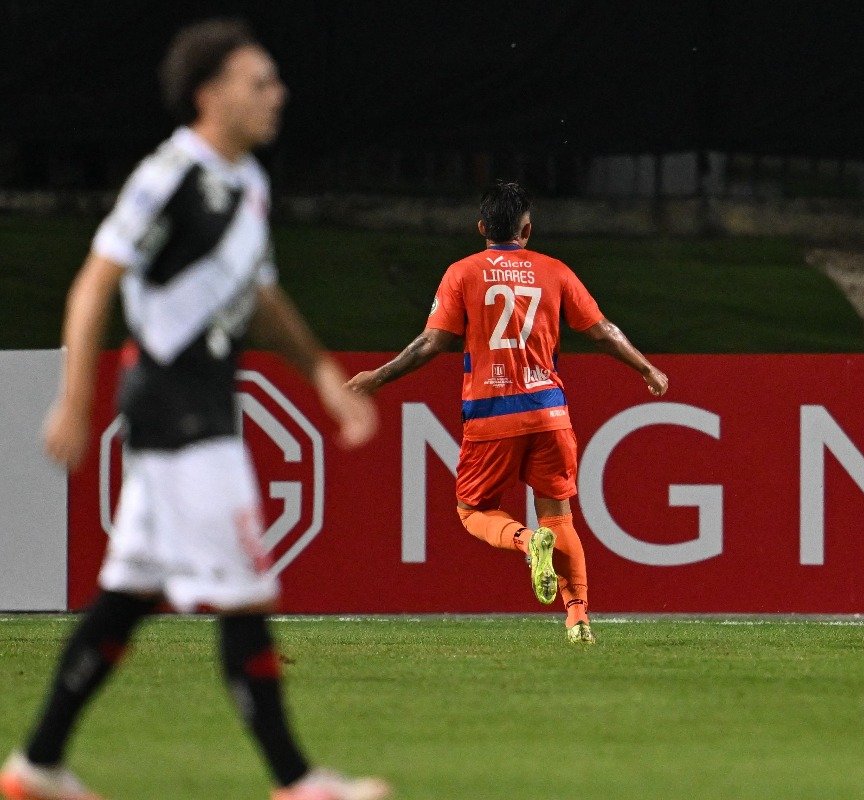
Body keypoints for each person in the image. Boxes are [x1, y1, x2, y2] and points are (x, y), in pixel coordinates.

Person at [1, 19, 390, 800]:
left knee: (127, 597)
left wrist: (320, 373)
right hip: (177, 410)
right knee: (245, 590)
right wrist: (75, 398)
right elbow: (94, 281)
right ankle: (298, 781)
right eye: (260, 81)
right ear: (209, 95)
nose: (277, 94)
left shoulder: (247, 182)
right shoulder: (170, 172)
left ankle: (35, 767)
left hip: (197, 408)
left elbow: (261, 295)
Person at [347, 180, 668, 645]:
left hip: (492, 415)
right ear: (527, 229)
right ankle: (578, 619)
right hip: (549, 413)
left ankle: (523, 541)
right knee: (559, 518)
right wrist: (646, 367)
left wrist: (376, 378)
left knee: (472, 509)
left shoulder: (463, 272)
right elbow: (602, 331)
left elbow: (430, 343)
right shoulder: (553, 271)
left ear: (482, 227)